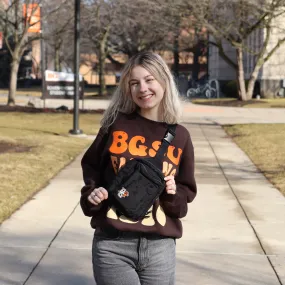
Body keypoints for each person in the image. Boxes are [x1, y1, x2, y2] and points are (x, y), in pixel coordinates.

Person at [80, 51, 197, 285]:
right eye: (134, 83)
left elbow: (186, 193)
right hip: (113, 243)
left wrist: (174, 193)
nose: (142, 88)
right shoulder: (115, 127)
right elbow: (91, 169)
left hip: (159, 247)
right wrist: (93, 195)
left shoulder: (180, 137)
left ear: (163, 80)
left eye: (149, 80)